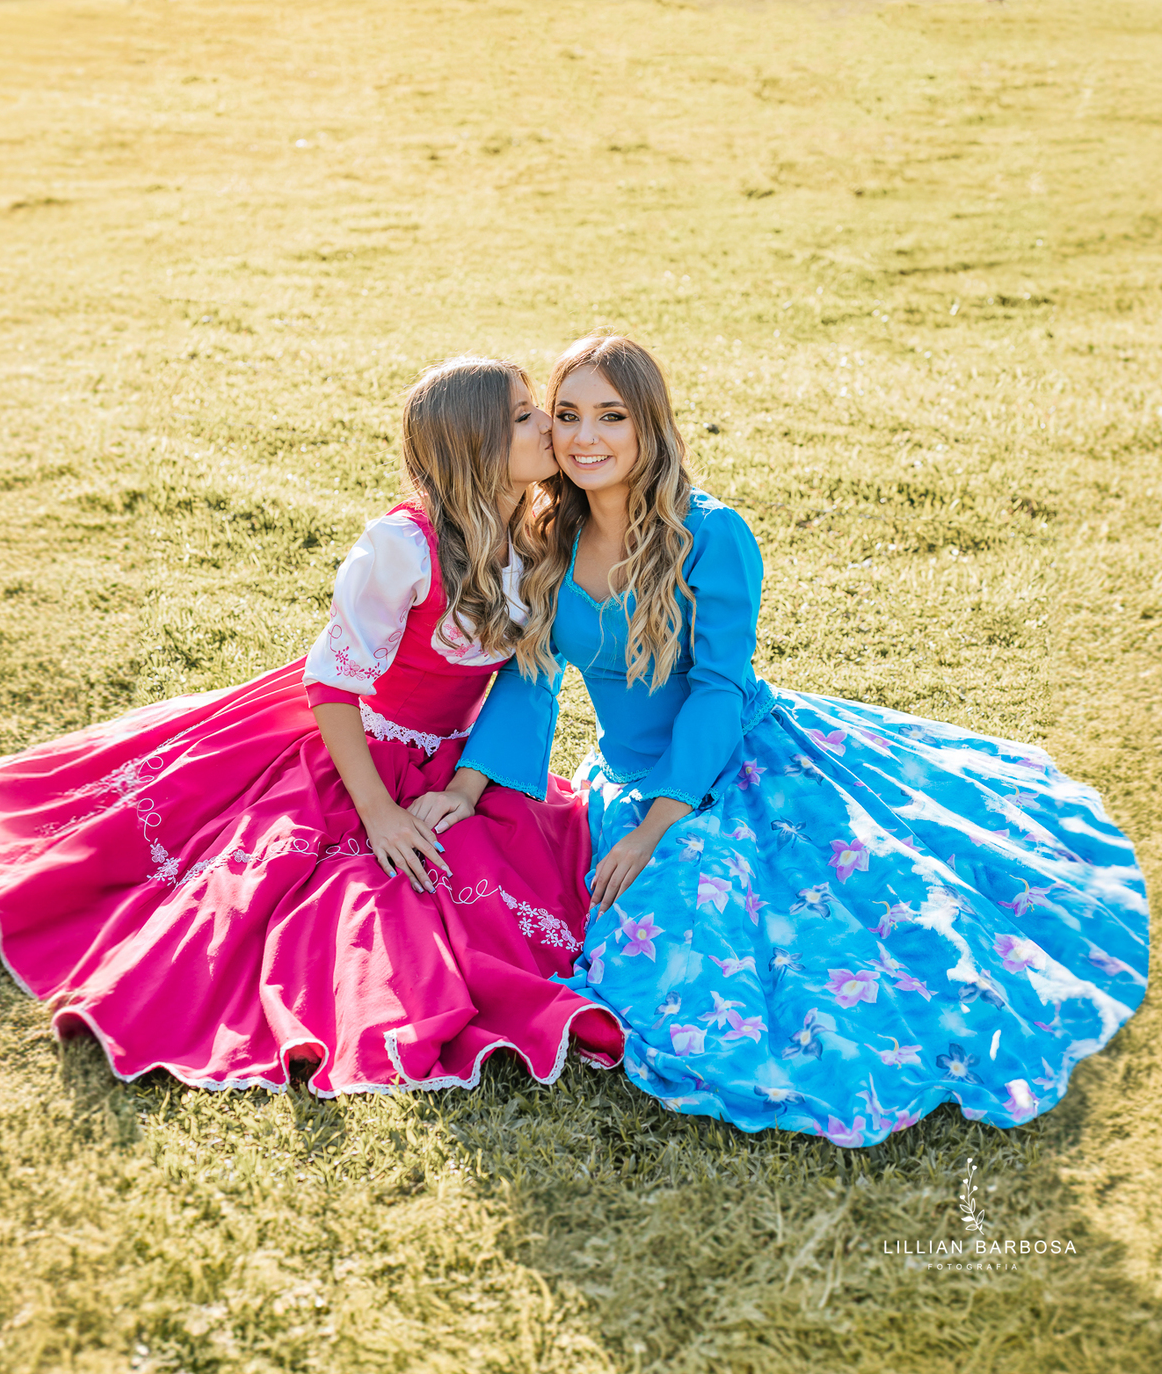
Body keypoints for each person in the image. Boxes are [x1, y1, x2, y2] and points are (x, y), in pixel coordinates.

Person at [453, 335, 1149, 1143]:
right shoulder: (549, 535)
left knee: (713, 947)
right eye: (567, 415)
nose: (584, 438)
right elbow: (532, 672)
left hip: (734, 765)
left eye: (612, 416)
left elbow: (717, 688)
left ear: (650, 425)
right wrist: (469, 785)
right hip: (628, 775)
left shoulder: (710, 535)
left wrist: (656, 825)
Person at [0, 357, 622, 1095]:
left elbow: (527, 675)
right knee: (319, 893)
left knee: (512, 868)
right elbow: (332, 684)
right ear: (474, 444)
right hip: (355, 739)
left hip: (457, 755)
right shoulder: (402, 549)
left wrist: (469, 786)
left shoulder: (538, 535)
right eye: (524, 415)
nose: (547, 426)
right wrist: (376, 810)